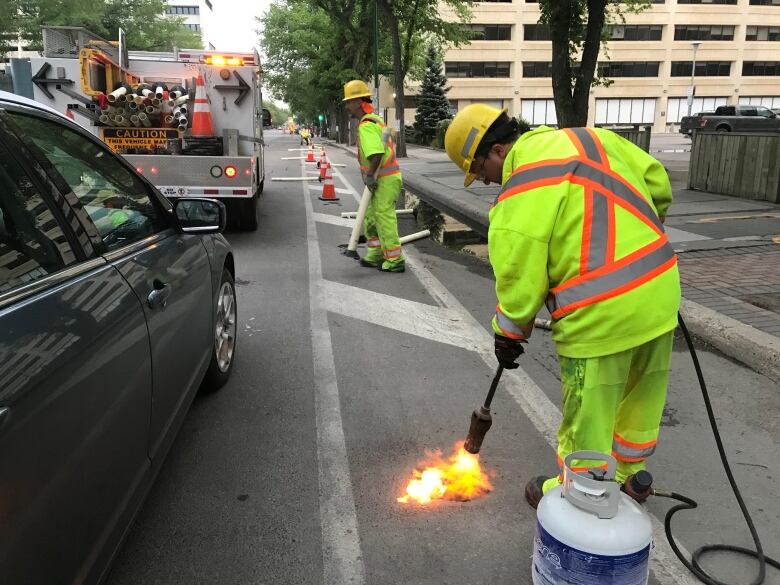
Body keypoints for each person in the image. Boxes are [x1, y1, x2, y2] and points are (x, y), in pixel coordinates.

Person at [444, 105, 681, 508]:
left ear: (498, 151)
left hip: (600, 314)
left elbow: (520, 280)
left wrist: (508, 334)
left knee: (589, 410)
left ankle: (581, 491)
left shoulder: (521, 189)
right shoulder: (592, 139)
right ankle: (628, 479)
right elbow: (659, 186)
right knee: (641, 396)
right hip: (660, 290)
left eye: (481, 170)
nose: (487, 181)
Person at [342, 80, 405, 273]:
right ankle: (376, 253)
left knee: (384, 218)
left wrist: (370, 175)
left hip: (383, 180)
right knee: (370, 216)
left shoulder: (367, 125)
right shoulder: (374, 120)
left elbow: (376, 154)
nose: (347, 106)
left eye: (350, 101)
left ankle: (395, 260)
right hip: (383, 179)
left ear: (359, 102)